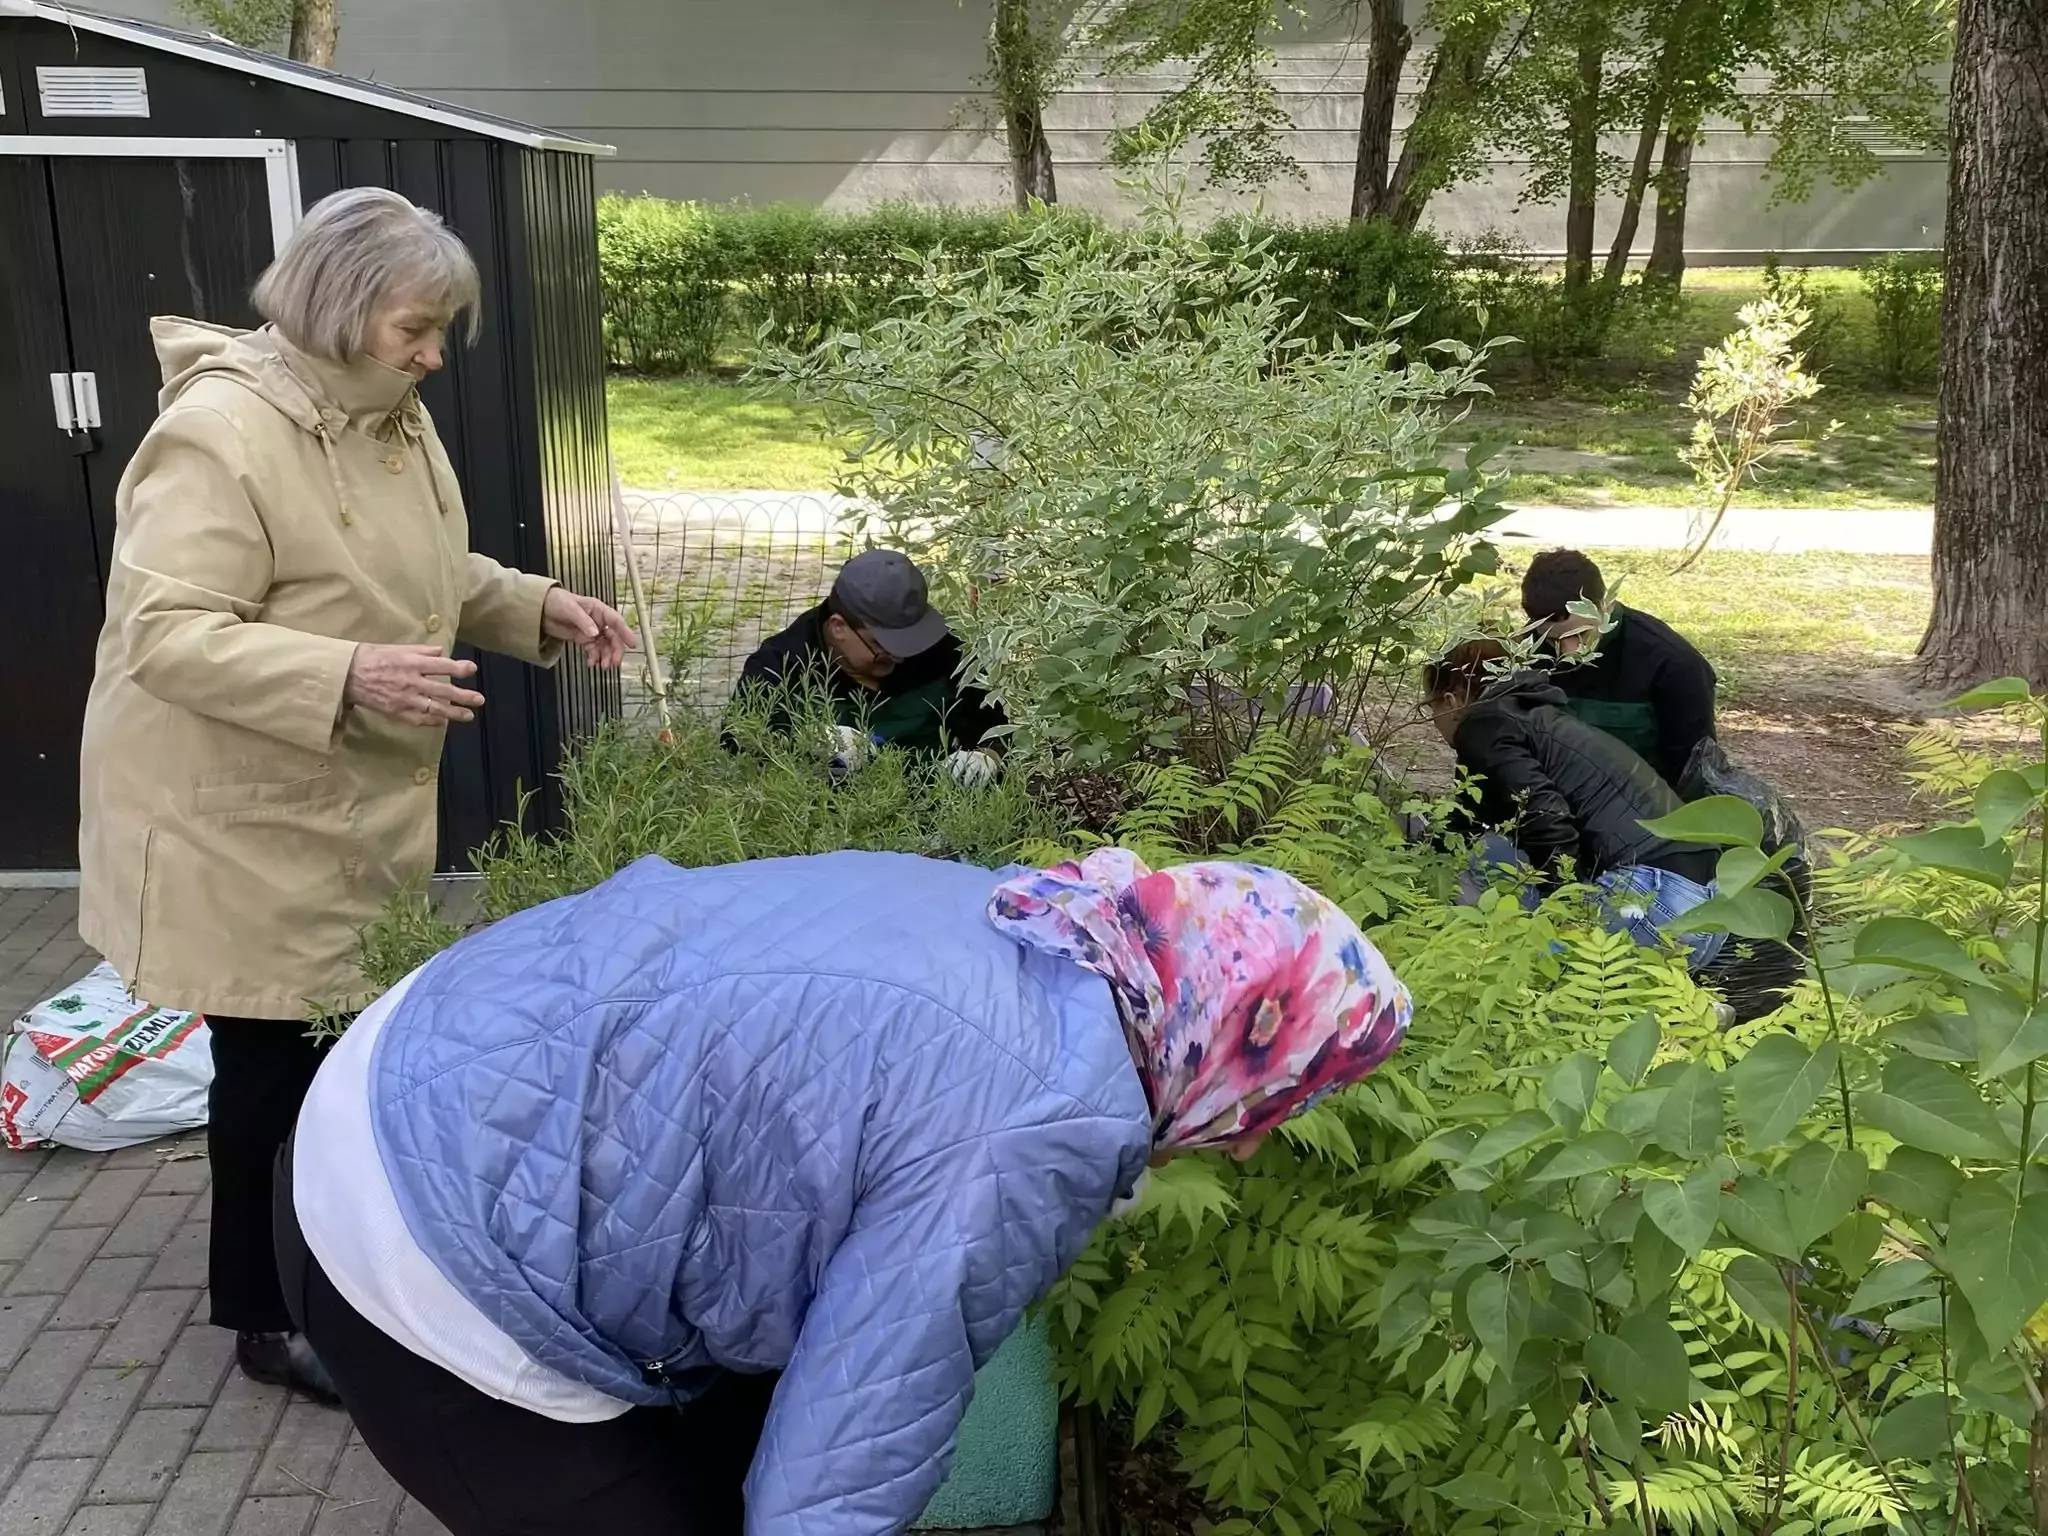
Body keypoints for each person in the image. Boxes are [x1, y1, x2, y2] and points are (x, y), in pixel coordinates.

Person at [275, 848, 1412, 1535]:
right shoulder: (1037, 1125)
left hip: (444, 1051)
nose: (1256, 1145)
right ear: (1234, 1041)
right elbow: (844, 1461)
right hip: (435, 1234)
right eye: (1283, 1097)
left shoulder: (1058, 937)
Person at [76, 188, 635, 1403]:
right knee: (274, 1058)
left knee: (324, 1046)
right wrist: (346, 671)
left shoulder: (387, 416)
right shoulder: (218, 436)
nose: (436, 354)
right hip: (240, 810)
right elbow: (161, 634)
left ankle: (325, 1267)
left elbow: (429, 574)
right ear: (335, 310)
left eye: (441, 331)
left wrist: (533, 605)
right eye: (416, 328)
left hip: (332, 800)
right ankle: (267, 1317)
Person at [1424, 640, 1723, 966]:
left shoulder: (1483, 725)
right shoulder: (1534, 717)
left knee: (1530, 968)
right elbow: (1467, 821)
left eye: (1431, 708)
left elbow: (1547, 817)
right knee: (1492, 850)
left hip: (1653, 896)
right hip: (1708, 904)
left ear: (1450, 700)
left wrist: (1562, 909)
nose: (1435, 721)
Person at [732, 549, 1006, 784]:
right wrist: (803, 744)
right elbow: (738, 749)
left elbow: (1003, 732)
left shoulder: (947, 653)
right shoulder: (778, 666)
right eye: (884, 646)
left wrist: (988, 758)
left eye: (911, 641)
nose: (900, 657)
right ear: (839, 627)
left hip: (940, 818)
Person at [1520, 548, 1717, 787]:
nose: (1569, 653)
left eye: (1581, 634)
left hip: (1644, 805)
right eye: (1553, 640)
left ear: (1606, 606)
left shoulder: (1674, 664)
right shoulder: (1522, 651)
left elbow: (1694, 772)